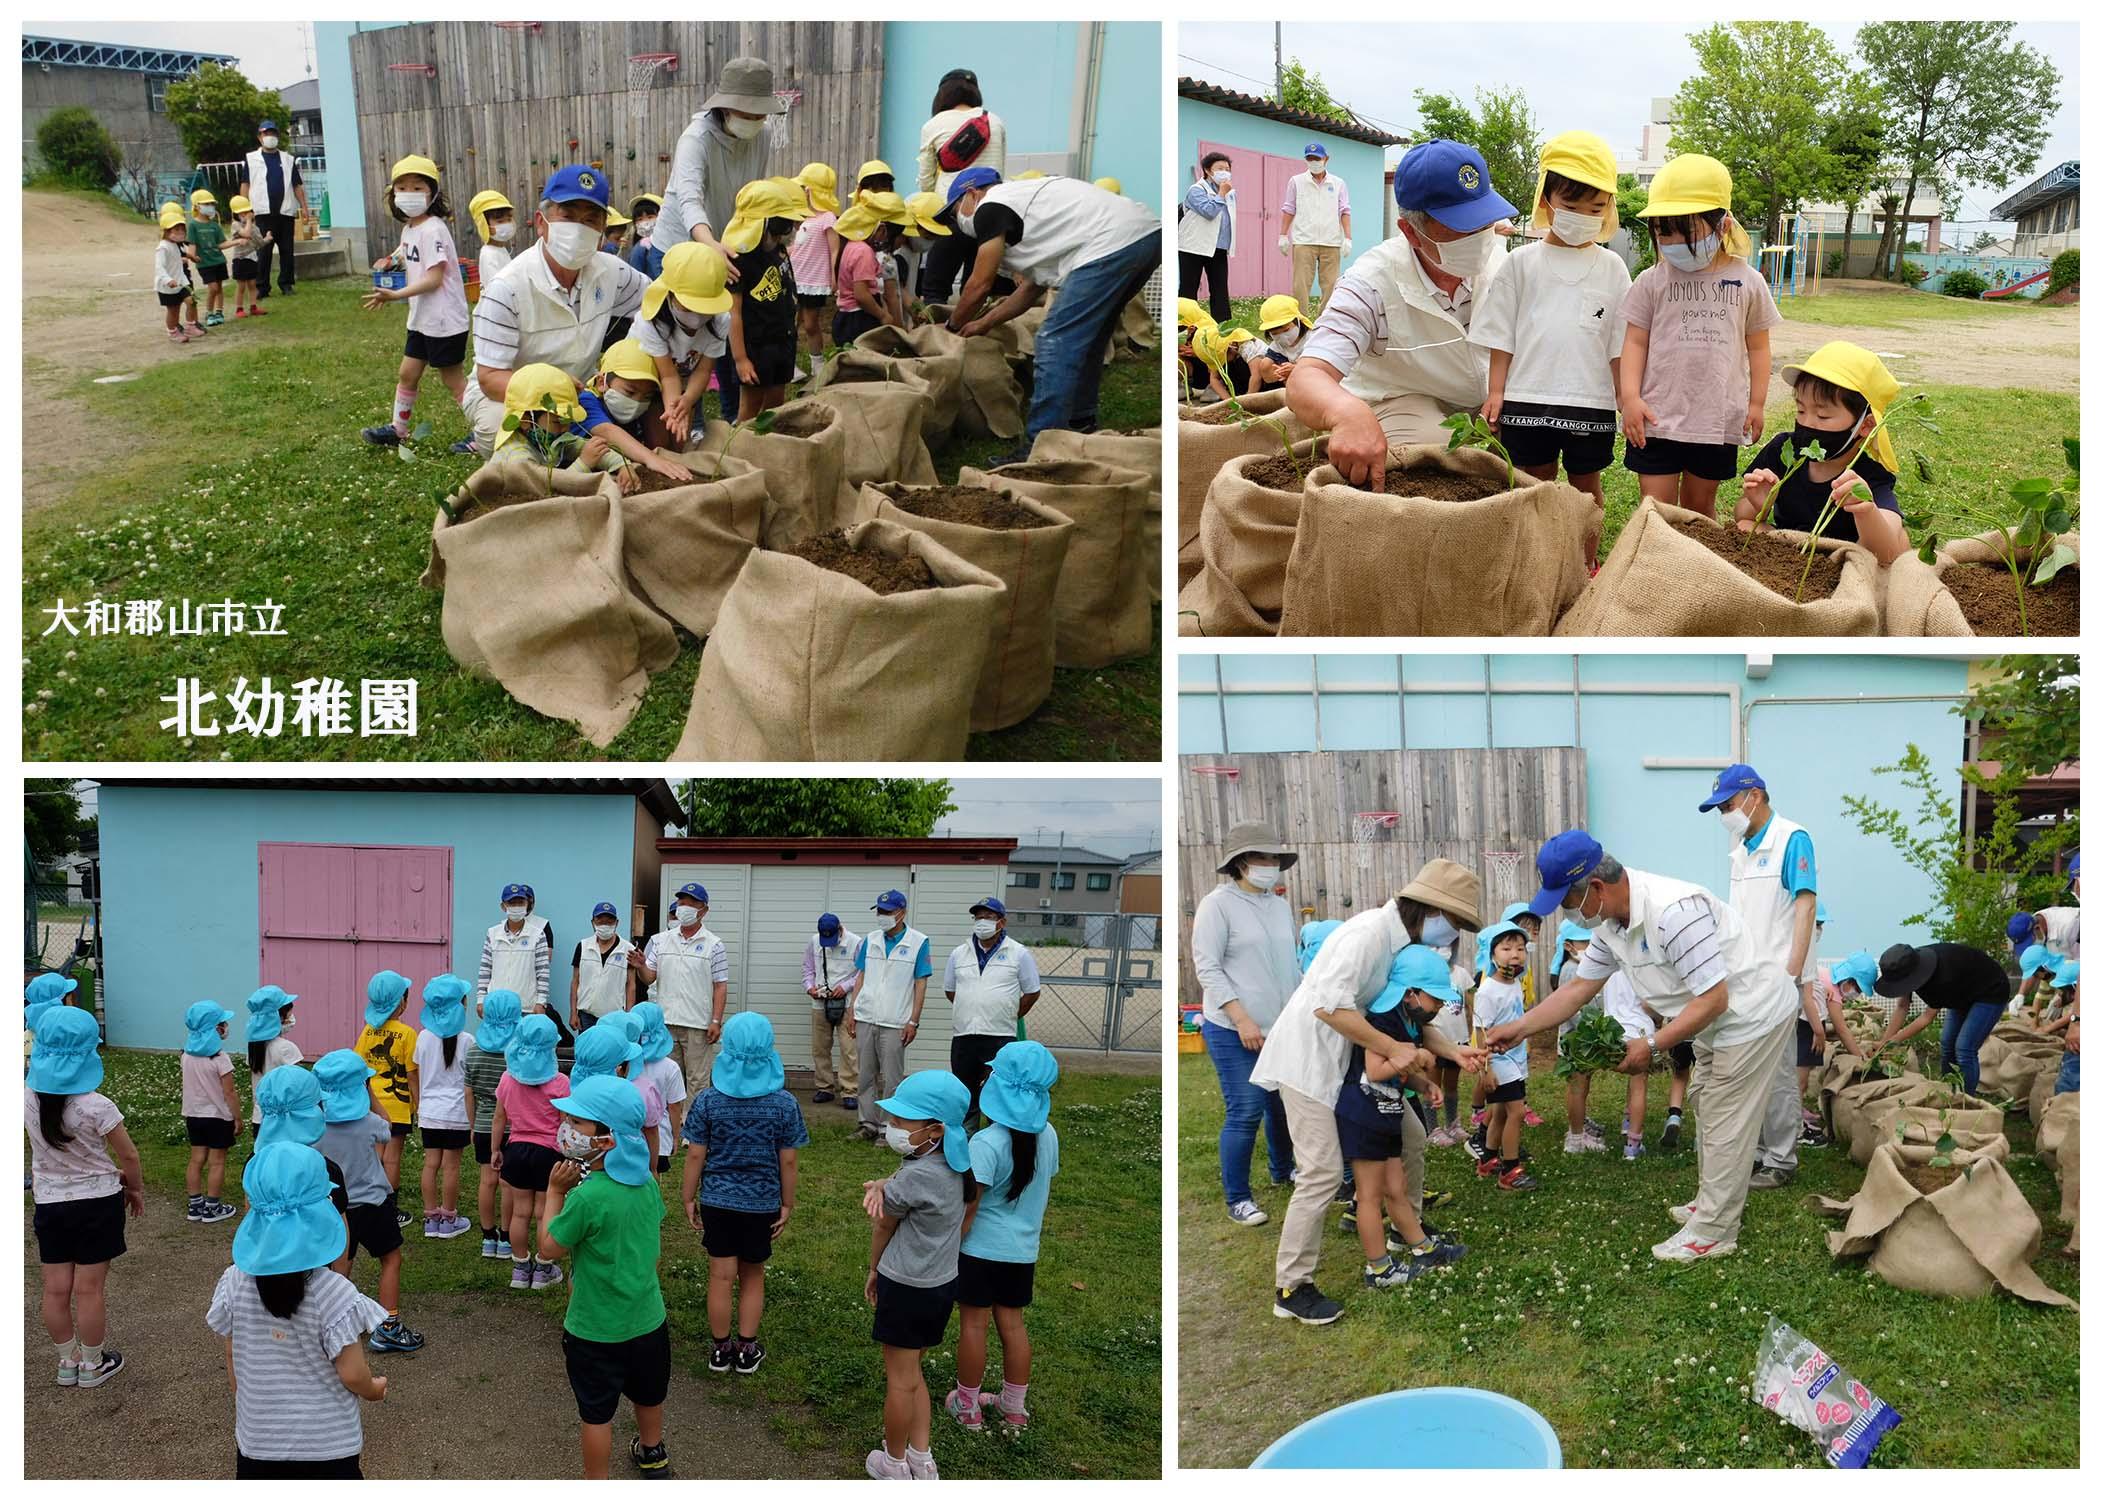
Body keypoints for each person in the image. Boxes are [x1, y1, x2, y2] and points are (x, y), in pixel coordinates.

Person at [1491, 831, 1796, 1263]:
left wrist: (1650, 1045)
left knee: (1728, 1117)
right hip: (1713, 1023)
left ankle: (1714, 1230)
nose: (1567, 911)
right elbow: (1578, 988)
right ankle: (1709, 1201)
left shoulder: (1673, 912)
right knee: (1706, 1105)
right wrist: (1520, 1027)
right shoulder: (1611, 926)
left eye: (1567, 900)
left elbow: (1715, 998)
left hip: (1753, 1015)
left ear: (1596, 888)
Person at [1251, 859, 1486, 1325]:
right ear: (1428, 909)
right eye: (1454, 922)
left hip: (1358, 1071)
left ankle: (1406, 1232)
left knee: (1413, 1138)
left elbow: (1406, 1018)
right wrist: (1394, 1052)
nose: (1452, 934)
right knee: (1319, 1174)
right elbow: (1328, 1006)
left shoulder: (1403, 945)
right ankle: (1292, 1286)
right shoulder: (1367, 937)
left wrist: (1454, 1053)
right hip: (1311, 1066)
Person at [1286, 140, 1519, 487]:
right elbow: (1306, 378)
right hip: (1405, 402)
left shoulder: (1502, 266)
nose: (1478, 238)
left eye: (1483, 222)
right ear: (1411, 231)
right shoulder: (1372, 283)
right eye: (1460, 228)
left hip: (1488, 401)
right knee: (1432, 455)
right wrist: (1348, 414)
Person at [1469, 131, 1629, 562]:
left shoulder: (1613, 268)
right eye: (1571, 207)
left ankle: (1586, 563)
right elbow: (1501, 336)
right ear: (1546, 202)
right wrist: (1496, 392)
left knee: (1585, 487)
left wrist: (1625, 398)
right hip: (1526, 396)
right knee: (1532, 483)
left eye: (1595, 209)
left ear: (1608, 209)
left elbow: (1619, 345)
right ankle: (1533, 561)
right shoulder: (1521, 263)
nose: (1582, 216)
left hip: (1589, 401)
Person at [941, 168, 1161, 456]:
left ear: (972, 194)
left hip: (1112, 243)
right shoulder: (1031, 214)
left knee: (1054, 340)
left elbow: (979, 285)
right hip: (1145, 236)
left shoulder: (991, 206)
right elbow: (1029, 289)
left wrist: (952, 326)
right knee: (1091, 340)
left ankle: (1041, 445)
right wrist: (984, 322)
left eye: (955, 211)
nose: (957, 220)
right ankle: (1080, 424)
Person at [206, 1143, 390, 1478]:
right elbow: (351, 1374)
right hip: (328, 1448)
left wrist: (246, 1402)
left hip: (257, 1443)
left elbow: (233, 1355)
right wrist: (373, 1389)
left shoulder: (234, 1281)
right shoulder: (334, 1291)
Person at [1619, 154, 1778, 519]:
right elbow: (1634, 342)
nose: (1671, 241)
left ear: (1722, 226)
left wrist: (1756, 404)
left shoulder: (1748, 283)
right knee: (1655, 512)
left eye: (1684, 231)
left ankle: (1695, 575)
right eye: (1663, 231)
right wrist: (1629, 397)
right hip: (1656, 420)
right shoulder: (1651, 281)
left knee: (1699, 512)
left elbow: (1758, 346)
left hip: (1715, 422)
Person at [460, 165, 651, 455]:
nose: (579, 228)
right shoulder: (507, 287)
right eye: (568, 216)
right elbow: (490, 378)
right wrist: (550, 389)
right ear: (541, 222)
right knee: (510, 440)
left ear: (602, 231)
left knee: (603, 446)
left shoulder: (613, 273)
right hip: (510, 397)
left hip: (578, 397)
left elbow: (658, 303)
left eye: (590, 220)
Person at [539, 1075, 673, 1478]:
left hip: (595, 1327)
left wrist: (553, 1193)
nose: (566, 1126)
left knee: (597, 1413)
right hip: (648, 1318)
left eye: (578, 1122)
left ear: (606, 1140)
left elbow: (548, 1248)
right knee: (649, 1394)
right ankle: (652, 1453)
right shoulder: (648, 1185)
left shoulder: (586, 1196)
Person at [1698, 763, 1819, 1190]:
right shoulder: (1742, 850)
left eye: (1728, 804)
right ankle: (1760, 1151)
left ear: (1754, 795)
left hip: (1779, 980)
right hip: (1746, 979)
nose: (1724, 814)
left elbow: (1805, 907)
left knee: (1781, 1071)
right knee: (1749, 1069)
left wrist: (1792, 974)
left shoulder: (1792, 839)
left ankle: (1782, 1160)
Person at [653, 56, 784, 419]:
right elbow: (689, 197)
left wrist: (746, 242)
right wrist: (708, 244)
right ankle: (686, 423)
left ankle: (730, 423)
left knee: (722, 331)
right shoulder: (695, 139)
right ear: (726, 106)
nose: (756, 120)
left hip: (725, 246)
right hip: (681, 246)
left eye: (761, 114)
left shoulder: (763, 136)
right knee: (680, 342)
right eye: (748, 112)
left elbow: (750, 194)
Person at [864, 1070, 978, 1481]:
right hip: (941, 1285)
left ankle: (893, 1464)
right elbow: (904, 1186)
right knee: (914, 1373)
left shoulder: (913, 1177)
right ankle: (921, 1457)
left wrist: (874, 1269)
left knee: (899, 1379)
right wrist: (885, 1182)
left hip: (904, 1284)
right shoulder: (957, 1169)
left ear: (934, 1130)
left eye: (900, 1122)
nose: (892, 1127)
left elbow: (884, 1225)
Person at [680, 1012, 808, 1376]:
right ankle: (747, 1349)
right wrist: (787, 1202)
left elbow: (694, 1154)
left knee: (721, 1276)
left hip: (718, 1202)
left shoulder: (707, 1101)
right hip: (762, 1203)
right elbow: (789, 1162)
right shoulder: (784, 1104)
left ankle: (721, 1351)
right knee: (752, 1275)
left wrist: (688, 1197)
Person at [1338, 947, 1472, 1287]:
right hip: (1363, 1114)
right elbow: (1374, 1068)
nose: (1440, 1005)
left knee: (1397, 1187)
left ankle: (1421, 1248)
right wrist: (1417, 1056)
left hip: (1388, 1110)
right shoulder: (1382, 1020)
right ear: (1410, 993)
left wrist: (1422, 1082)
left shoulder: (1408, 1021)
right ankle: (1378, 1268)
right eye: (1435, 999)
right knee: (1369, 1195)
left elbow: (1396, 1073)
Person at [1190, 821, 1300, 1226]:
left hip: (1280, 1026)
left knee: (1282, 1105)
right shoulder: (1216, 905)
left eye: (1274, 857)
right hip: (1232, 1027)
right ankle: (1238, 1198)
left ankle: (1282, 1168)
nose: (1269, 864)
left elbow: (1289, 965)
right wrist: (1241, 1018)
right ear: (1239, 863)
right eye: (1261, 857)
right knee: (1246, 1109)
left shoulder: (1278, 904)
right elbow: (1208, 967)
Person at [27, 1005, 143, 1389]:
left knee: (56, 1288)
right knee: (90, 1289)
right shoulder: (98, 1106)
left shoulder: (26, 1098)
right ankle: (93, 1364)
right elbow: (128, 1155)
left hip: (50, 1204)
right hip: (97, 1203)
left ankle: (67, 1361)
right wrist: (135, 1188)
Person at [946, 1041, 1060, 1432]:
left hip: (978, 1250)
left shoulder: (985, 1143)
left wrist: (951, 1245)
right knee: (1013, 1326)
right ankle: (1013, 1409)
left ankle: (967, 1406)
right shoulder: (1050, 1137)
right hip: (1022, 1253)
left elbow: (970, 1205)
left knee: (973, 1326)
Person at [1735, 343, 1909, 563]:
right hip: (1790, 551)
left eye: (1823, 416)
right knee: (1744, 527)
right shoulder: (1783, 450)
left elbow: (1887, 553)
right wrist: (1758, 504)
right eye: (1801, 410)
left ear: (1865, 426)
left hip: (1840, 560)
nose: (1807, 423)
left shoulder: (1870, 475)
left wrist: (1866, 510)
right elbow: (1742, 516)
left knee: (1901, 540)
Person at [313, 1049, 426, 1355]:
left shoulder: (315, 1124)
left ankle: (332, 1324)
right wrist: (372, 1094)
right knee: (390, 1260)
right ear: (360, 1087)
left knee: (339, 1265)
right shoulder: (368, 1122)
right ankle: (388, 1327)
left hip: (335, 1207)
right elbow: (387, 1126)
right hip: (373, 1203)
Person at [358, 155, 469, 449]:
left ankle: (483, 432)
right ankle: (398, 429)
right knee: (408, 373)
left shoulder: (433, 228)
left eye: (417, 187)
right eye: (402, 187)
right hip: (422, 318)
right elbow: (408, 251)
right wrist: (392, 258)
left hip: (444, 319)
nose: (409, 194)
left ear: (431, 193)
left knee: (453, 381)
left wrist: (395, 295)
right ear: (393, 194)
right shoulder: (411, 228)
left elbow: (434, 279)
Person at [491, 1013, 572, 1291]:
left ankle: (520, 1267)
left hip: (516, 1150)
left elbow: (499, 1118)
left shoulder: (507, 1079)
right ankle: (544, 1269)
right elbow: (564, 1123)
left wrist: (495, 1150)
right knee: (543, 1213)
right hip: (548, 1153)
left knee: (520, 1213)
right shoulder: (561, 1082)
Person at [943, 897, 1041, 1124]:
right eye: (978, 917)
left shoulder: (1018, 953)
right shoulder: (959, 953)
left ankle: (995, 1137)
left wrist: (1009, 1013)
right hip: (964, 1034)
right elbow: (950, 991)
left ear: (1002, 922)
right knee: (965, 1091)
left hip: (999, 1036)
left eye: (988, 917)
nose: (982, 922)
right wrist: (971, 1007)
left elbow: (1032, 992)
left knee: (996, 1090)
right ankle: (967, 1138)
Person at [1866, 942, 2011, 1096]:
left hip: (1990, 991)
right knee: (1947, 1043)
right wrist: (1884, 1043)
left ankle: (1966, 1101)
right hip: (1962, 991)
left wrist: (1891, 1042)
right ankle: (1948, 1093)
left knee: (1964, 1048)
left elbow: (1926, 1018)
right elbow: (1902, 1006)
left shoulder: (1942, 978)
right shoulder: (1908, 964)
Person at [721, 178, 808, 421]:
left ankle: (768, 447)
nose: (785, 233)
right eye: (780, 226)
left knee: (775, 403)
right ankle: (742, 449)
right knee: (750, 406)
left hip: (782, 341)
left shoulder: (777, 250)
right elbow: (733, 313)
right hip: (755, 346)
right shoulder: (738, 260)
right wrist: (740, 359)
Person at [633, 883, 730, 1103]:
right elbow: (650, 978)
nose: (683, 906)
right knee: (668, 1077)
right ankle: (668, 1124)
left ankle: (693, 1128)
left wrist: (716, 1020)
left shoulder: (714, 945)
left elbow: (720, 986)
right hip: (665, 1023)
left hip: (698, 1024)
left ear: (703, 910)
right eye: (681, 902)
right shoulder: (661, 940)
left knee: (697, 1079)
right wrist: (640, 966)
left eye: (691, 903)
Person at [917, 67, 1006, 302]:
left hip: (951, 213)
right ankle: (970, 336)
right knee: (976, 286)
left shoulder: (934, 125)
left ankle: (935, 336)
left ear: (943, 94)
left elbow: (926, 180)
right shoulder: (994, 121)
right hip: (989, 212)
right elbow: (999, 171)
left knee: (935, 286)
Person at [853, 890, 932, 1143]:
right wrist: (852, 1010)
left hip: (895, 1021)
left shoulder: (918, 942)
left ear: (902, 913)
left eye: (887, 912)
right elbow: (861, 976)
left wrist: (913, 1020)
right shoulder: (871, 939)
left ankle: (888, 1128)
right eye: (879, 911)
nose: (882, 916)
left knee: (892, 1079)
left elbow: (921, 983)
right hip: (866, 1017)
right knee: (865, 1075)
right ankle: (867, 1123)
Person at [637, 242, 732, 448]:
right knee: (658, 443)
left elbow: (704, 370)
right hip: (646, 384)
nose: (698, 315)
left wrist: (687, 400)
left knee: (680, 442)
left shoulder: (721, 320)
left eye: (706, 307)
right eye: (689, 306)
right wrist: (674, 409)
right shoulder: (652, 321)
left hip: (682, 381)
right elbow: (667, 375)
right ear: (670, 294)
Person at [1468, 921, 1538, 1190]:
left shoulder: (1514, 983)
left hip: (1515, 1058)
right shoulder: (1488, 991)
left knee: (1499, 1113)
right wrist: (1486, 1069)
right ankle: (1510, 1170)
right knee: (1516, 1112)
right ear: (1492, 953)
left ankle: (1487, 1159)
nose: (1514, 954)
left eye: (1520, 948)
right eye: (1506, 948)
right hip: (1498, 1062)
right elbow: (1480, 1032)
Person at [577, 338, 688, 490]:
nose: (636, 402)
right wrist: (651, 459)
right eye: (630, 391)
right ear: (602, 382)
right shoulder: (586, 402)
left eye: (646, 396)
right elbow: (607, 431)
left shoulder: (634, 409)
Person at [413, 974, 475, 1240]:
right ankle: (449, 1219)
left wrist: (419, 1105)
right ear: (461, 1005)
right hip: (457, 1114)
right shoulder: (468, 1040)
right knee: (451, 1167)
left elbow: (415, 1071)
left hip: (430, 1113)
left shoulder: (423, 1038)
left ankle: (431, 1219)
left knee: (431, 1165)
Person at [355, 971, 419, 1214]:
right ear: (401, 1002)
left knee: (376, 1155)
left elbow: (359, 1065)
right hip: (399, 1106)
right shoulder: (408, 1034)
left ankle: (371, 1199)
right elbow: (412, 1073)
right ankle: (391, 1208)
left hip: (371, 1104)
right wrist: (417, 1103)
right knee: (392, 1158)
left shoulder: (367, 1031)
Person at [464, 990, 520, 1260]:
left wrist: (473, 1126)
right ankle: (507, 1237)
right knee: (508, 1184)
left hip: (484, 1127)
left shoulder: (473, 1052)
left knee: (487, 1181)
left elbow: (468, 1093)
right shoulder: (518, 1054)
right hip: (513, 1127)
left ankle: (488, 1238)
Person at [236, 118, 313, 301]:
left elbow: (297, 185)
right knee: (264, 251)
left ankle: (286, 283)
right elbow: (245, 184)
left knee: (287, 250)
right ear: (259, 137)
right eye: (265, 133)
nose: (269, 136)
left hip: (285, 212)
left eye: (272, 133)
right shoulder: (251, 159)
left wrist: (304, 207)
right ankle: (262, 286)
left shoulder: (287, 159)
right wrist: (242, 209)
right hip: (262, 212)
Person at [478, 882, 564, 1042]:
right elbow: (485, 968)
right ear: (503, 906)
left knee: (523, 1051)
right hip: (497, 1008)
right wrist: (481, 998)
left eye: (520, 903)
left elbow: (543, 972)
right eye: (512, 903)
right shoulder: (493, 933)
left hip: (527, 1007)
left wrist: (541, 1002)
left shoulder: (537, 935)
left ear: (527, 905)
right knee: (498, 1053)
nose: (516, 907)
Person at [180, 1001, 241, 1224]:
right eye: (223, 1023)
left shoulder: (186, 1056)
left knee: (196, 1159)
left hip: (193, 1116)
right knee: (217, 1162)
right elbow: (230, 1092)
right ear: (216, 1029)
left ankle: (195, 1206)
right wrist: (237, 1117)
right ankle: (213, 1207)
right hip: (217, 1117)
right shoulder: (220, 1059)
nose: (226, 1026)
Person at [1279, 143, 1351, 313]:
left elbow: (1344, 210)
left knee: (1331, 286)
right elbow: (1289, 208)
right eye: (1310, 159)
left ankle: (1324, 323)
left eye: (1317, 158)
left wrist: (1348, 237)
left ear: (1326, 159)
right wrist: (1283, 235)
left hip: (1331, 241)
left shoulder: (1338, 183)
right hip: (1304, 241)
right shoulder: (1296, 181)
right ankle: (1301, 323)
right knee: (1300, 286)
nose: (1314, 162)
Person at [832, 194, 911, 345]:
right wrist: (882, 315)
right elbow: (861, 295)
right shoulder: (864, 252)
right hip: (860, 320)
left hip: (847, 317)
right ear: (881, 230)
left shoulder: (851, 246)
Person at [788, 163, 842, 375]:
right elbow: (799, 245)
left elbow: (834, 249)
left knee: (811, 323)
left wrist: (833, 276)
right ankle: (789, 365)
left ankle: (817, 363)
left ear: (811, 191)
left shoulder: (827, 218)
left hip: (814, 280)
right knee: (791, 323)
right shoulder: (804, 218)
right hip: (796, 277)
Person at [805, 913, 861, 1108]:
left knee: (849, 1049)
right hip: (820, 1001)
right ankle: (824, 1087)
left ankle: (850, 1091)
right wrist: (809, 987)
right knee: (820, 1047)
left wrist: (845, 987)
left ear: (840, 929)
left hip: (846, 1003)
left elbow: (863, 973)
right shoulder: (814, 941)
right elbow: (808, 968)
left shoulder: (856, 942)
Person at [628, 1001, 688, 1174]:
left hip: (626, 1138)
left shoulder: (623, 1064)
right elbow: (675, 1106)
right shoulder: (671, 1067)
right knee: (653, 1187)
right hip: (660, 1139)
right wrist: (676, 1136)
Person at [1178, 152, 1235, 325]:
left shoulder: (1229, 193)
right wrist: (1221, 195)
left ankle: (1224, 327)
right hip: (1193, 247)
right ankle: (1184, 326)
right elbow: (1209, 212)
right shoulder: (1196, 190)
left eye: (1227, 169)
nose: (1224, 172)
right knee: (1189, 288)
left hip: (1218, 247)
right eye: (1220, 168)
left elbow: (1228, 221)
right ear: (1208, 170)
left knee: (1220, 289)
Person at [571, 901, 638, 1035]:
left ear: (617, 923)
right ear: (593, 922)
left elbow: (631, 985)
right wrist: (573, 1013)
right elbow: (575, 982)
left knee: (612, 1054)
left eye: (609, 922)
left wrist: (628, 1016)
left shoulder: (628, 949)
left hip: (615, 1017)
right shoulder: (583, 946)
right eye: (600, 921)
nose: (604, 925)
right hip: (586, 1016)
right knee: (588, 1053)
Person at [244, 985, 302, 1128]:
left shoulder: (254, 1048)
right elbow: (300, 1082)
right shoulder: (285, 1048)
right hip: (283, 1120)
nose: (291, 1019)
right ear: (279, 1017)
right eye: (288, 1015)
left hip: (259, 1118)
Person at [154, 203, 202, 345]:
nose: (181, 232)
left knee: (191, 301)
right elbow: (159, 268)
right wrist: (168, 280)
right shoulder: (162, 248)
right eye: (177, 229)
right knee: (174, 310)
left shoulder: (175, 244)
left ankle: (190, 326)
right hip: (168, 286)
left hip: (181, 281)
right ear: (167, 231)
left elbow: (181, 253)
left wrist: (192, 257)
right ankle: (173, 331)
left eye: (182, 229)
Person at [1248, 295, 1314, 392]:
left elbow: (1319, 363)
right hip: (1287, 367)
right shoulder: (1278, 345)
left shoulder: (1312, 338)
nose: (1282, 336)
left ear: (1297, 321)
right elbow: (1268, 367)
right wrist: (1281, 372)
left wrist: (1296, 369)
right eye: (1275, 334)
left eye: (1286, 330)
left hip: (1311, 370)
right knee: (1266, 364)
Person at [187, 187, 229, 327]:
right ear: (197, 206)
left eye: (211, 204)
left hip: (219, 261)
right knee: (213, 288)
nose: (210, 207)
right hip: (205, 263)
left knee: (220, 288)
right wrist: (191, 257)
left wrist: (237, 241)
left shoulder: (214, 225)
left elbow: (221, 244)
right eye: (206, 204)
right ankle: (209, 313)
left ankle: (219, 312)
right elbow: (192, 245)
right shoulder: (192, 225)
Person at [225, 195, 264, 319]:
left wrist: (266, 238)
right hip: (240, 259)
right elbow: (246, 234)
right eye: (242, 212)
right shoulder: (236, 225)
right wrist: (248, 221)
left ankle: (253, 307)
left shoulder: (252, 226)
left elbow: (259, 241)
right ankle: (239, 308)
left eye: (247, 211)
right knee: (241, 285)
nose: (245, 214)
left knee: (252, 284)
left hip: (252, 258)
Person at [469, 189, 517, 285]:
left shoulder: (500, 249)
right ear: (484, 225)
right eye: (500, 221)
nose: (506, 224)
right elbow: (497, 288)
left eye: (508, 219)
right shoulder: (489, 254)